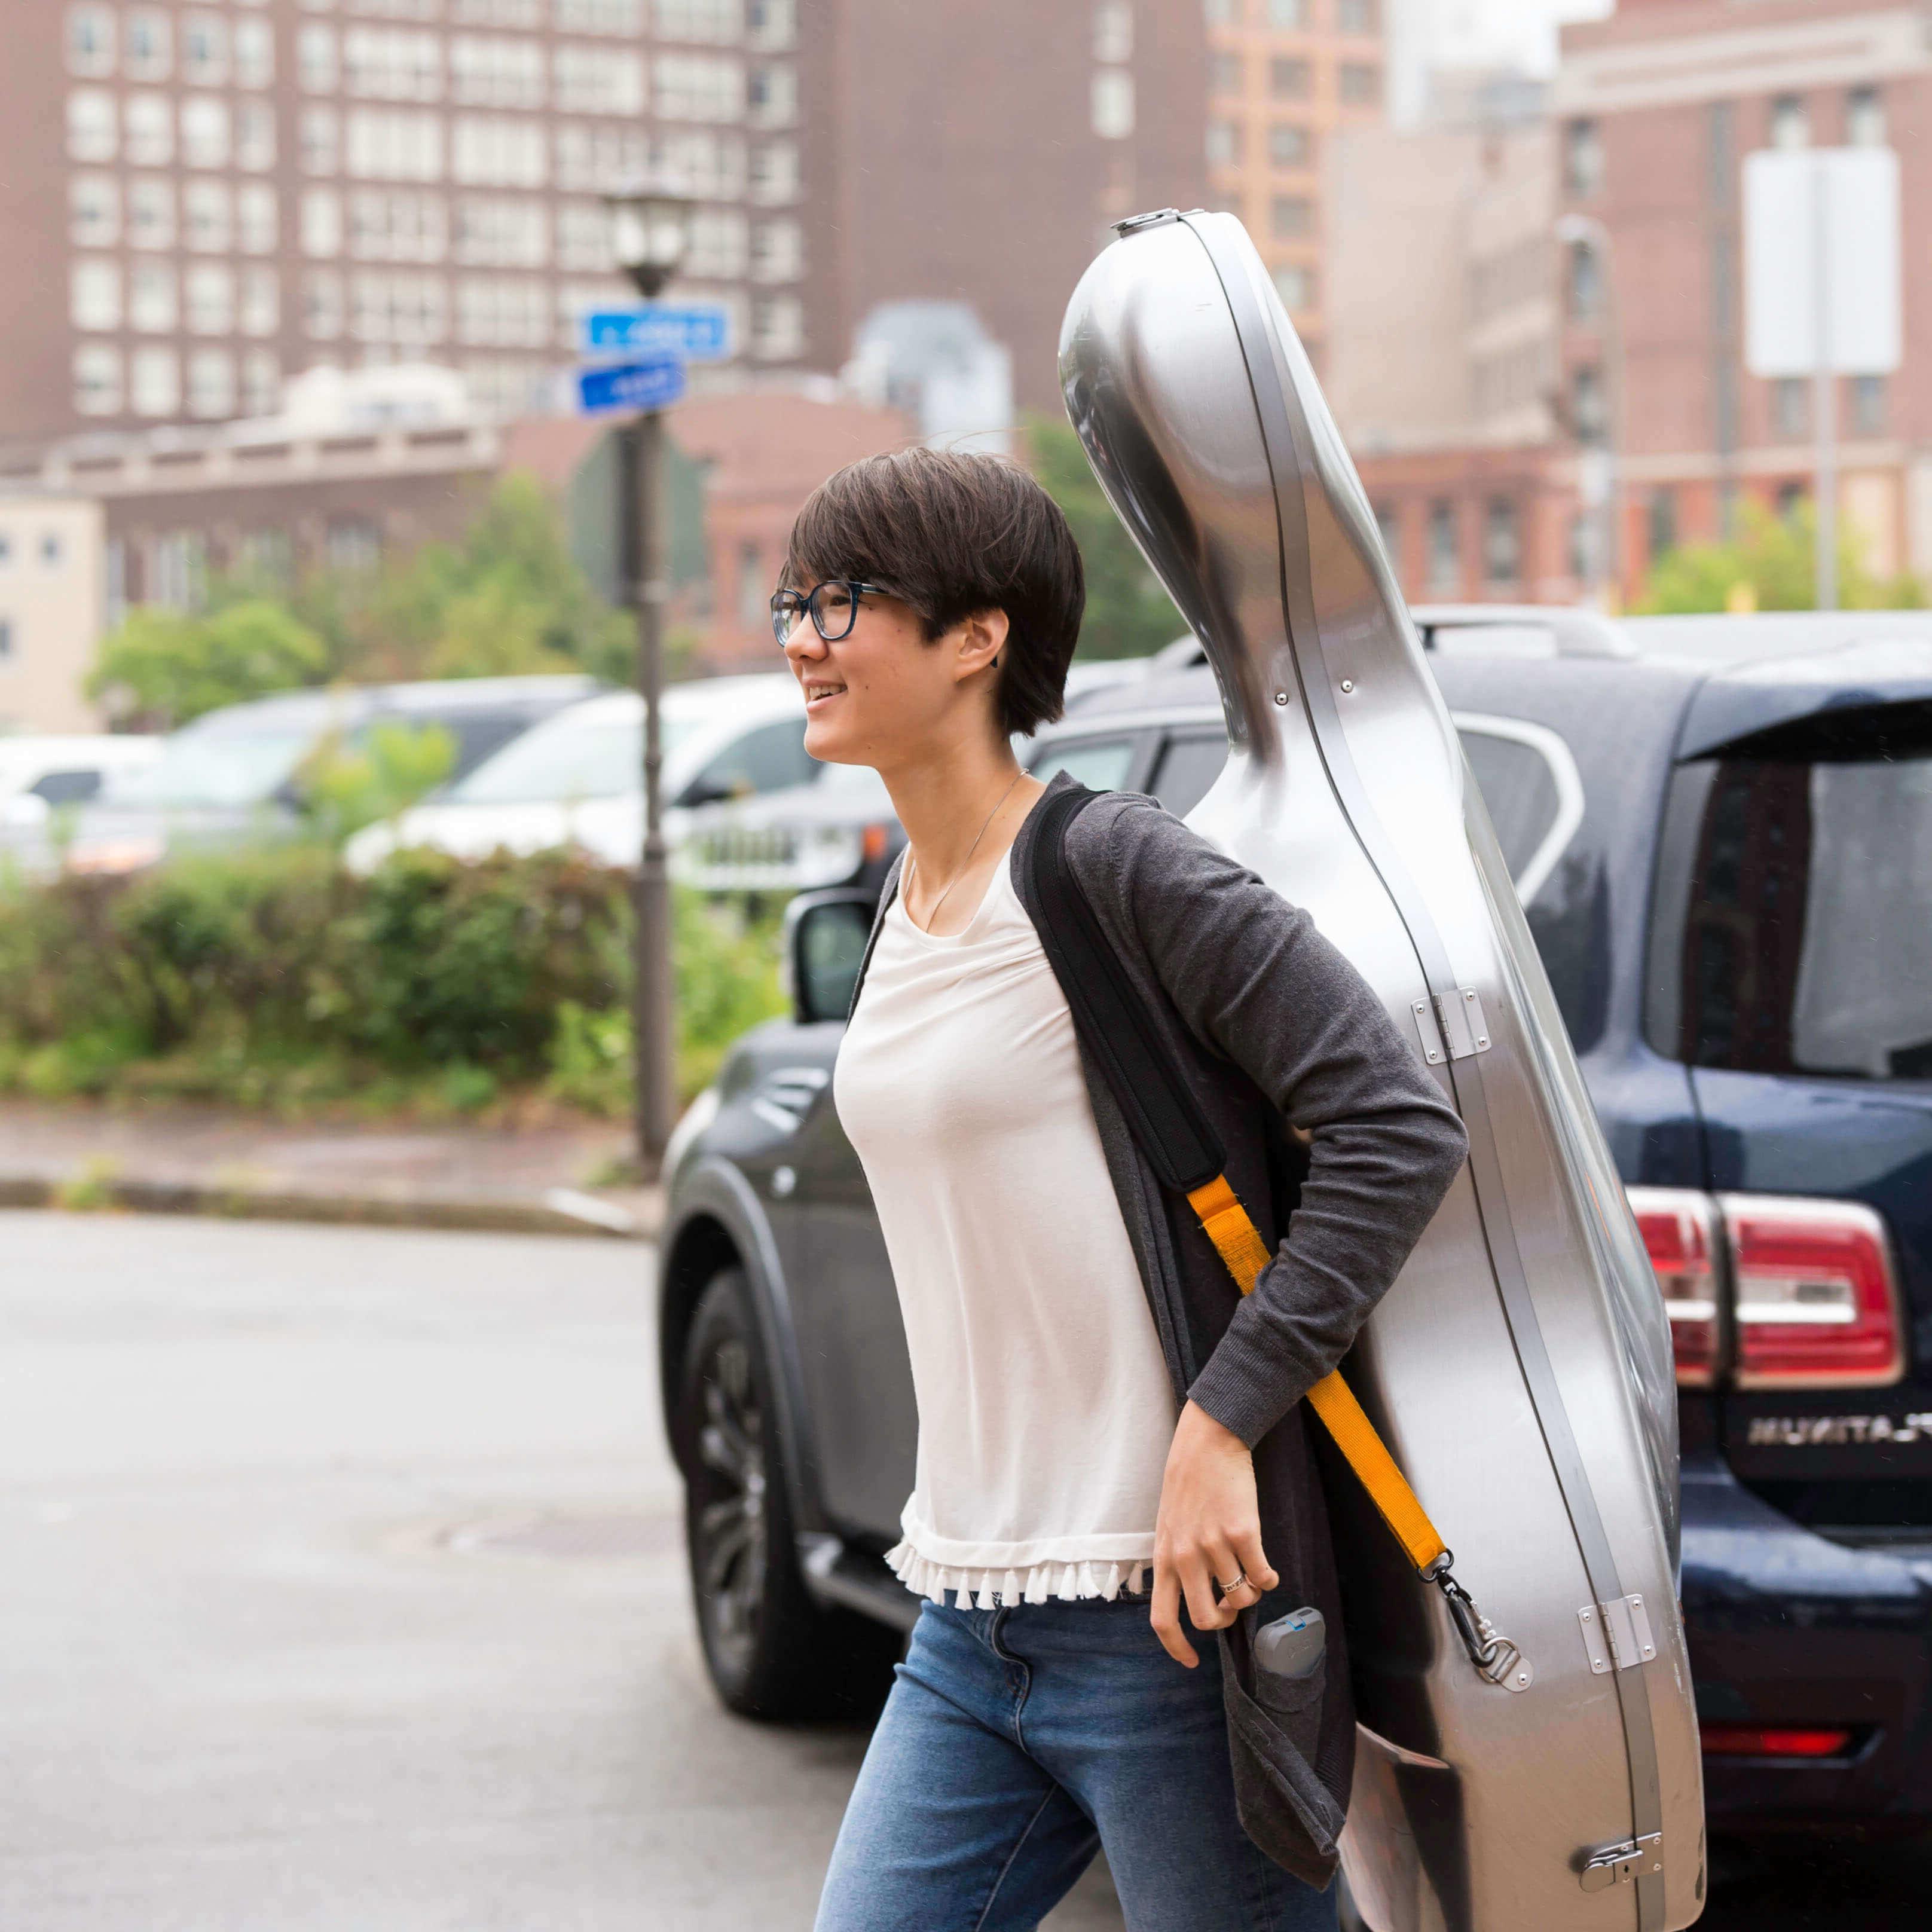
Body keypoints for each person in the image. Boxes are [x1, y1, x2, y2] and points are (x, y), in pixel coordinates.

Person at [778, 446, 1469, 1932]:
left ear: (978, 638)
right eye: (794, 598)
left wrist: (1223, 1418)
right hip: (964, 1611)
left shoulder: (1112, 869)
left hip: (1161, 1614)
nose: (802, 634)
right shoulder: (901, 903)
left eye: (845, 599)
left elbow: (1391, 1120)